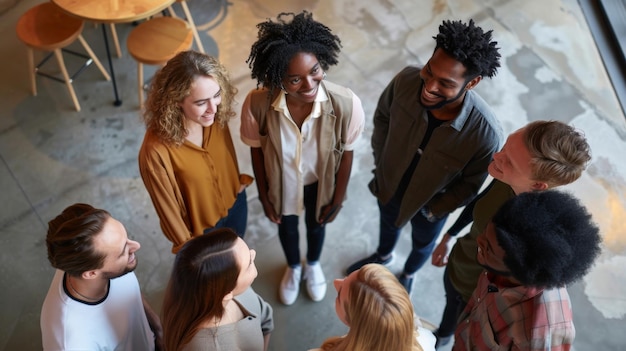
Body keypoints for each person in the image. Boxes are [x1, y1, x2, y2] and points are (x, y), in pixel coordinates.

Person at [346, 19, 502, 294]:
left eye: (445, 83)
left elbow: (470, 185)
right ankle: (383, 257)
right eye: (429, 71)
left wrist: (435, 210)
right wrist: (382, 163)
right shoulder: (405, 80)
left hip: (430, 206)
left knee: (422, 244)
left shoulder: (485, 134)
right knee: (388, 224)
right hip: (390, 183)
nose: (429, 87)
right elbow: (382, 119)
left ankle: (408, 273)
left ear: (473, 82)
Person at [430, 120, 591, 348]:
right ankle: (443, 333)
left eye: (509, 161)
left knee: (461, 325)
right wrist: (448, 237)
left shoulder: (534, 238)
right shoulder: (505, 177)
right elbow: (480, 202)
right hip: (460, 262)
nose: (496, 156)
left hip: (478, 293)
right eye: (504, 147)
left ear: (537, 185)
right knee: (449, 314)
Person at [241, 11, 365, 305]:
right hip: (280, 182)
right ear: (276, 78)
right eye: (295, 79)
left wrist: (338, 198)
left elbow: (347, 154)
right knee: (286, 225)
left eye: (315, 71)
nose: (309, 84)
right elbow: (256, 151)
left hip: (320, 183)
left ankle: (312, 265)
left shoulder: (346, 103)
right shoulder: (257, 103)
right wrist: (264, 195)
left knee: (316, 225)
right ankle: (294, 267)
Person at [453, 190, 601, 350]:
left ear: (522, 269)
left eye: (488, 247)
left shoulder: (540, 331)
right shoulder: (500, 266)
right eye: (485, 233)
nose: (479, 241)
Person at [138, 50, 252, 254]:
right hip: (202, 234)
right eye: (201, 103)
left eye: (216, 95)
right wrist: (188, 248)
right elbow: (168, 210)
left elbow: (227, 156)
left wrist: (236, 185)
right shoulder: (155, 152)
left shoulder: (214, 117)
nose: (213, 109)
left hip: (236, 204)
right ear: (176, 101)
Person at [41, 203, 162, 350]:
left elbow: (129, 292)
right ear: (91, 273)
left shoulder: (86, 260)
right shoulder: (72, 342)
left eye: (127, 238)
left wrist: (157, 327)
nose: (136, 246)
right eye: (123, 251)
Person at [161, 228, 273, 351]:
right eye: (249, 263)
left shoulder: (233, 288)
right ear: (226, 293)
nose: (253, 252)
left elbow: (265, 316)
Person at [310, 263, 435, 351]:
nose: (335, 282)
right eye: (345, 279)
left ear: (357, 325)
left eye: (339, 297)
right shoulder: (424, 341)